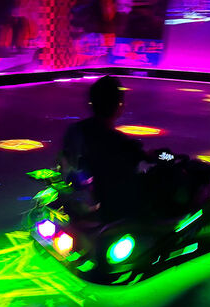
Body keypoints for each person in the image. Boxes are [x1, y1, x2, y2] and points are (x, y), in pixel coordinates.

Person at [62, 75, 148, 222]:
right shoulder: (121, 143)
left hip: (83, 202)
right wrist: (166, 157)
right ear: (119, 106)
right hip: (113, 210)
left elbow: (67, 163)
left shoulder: (76, 130)